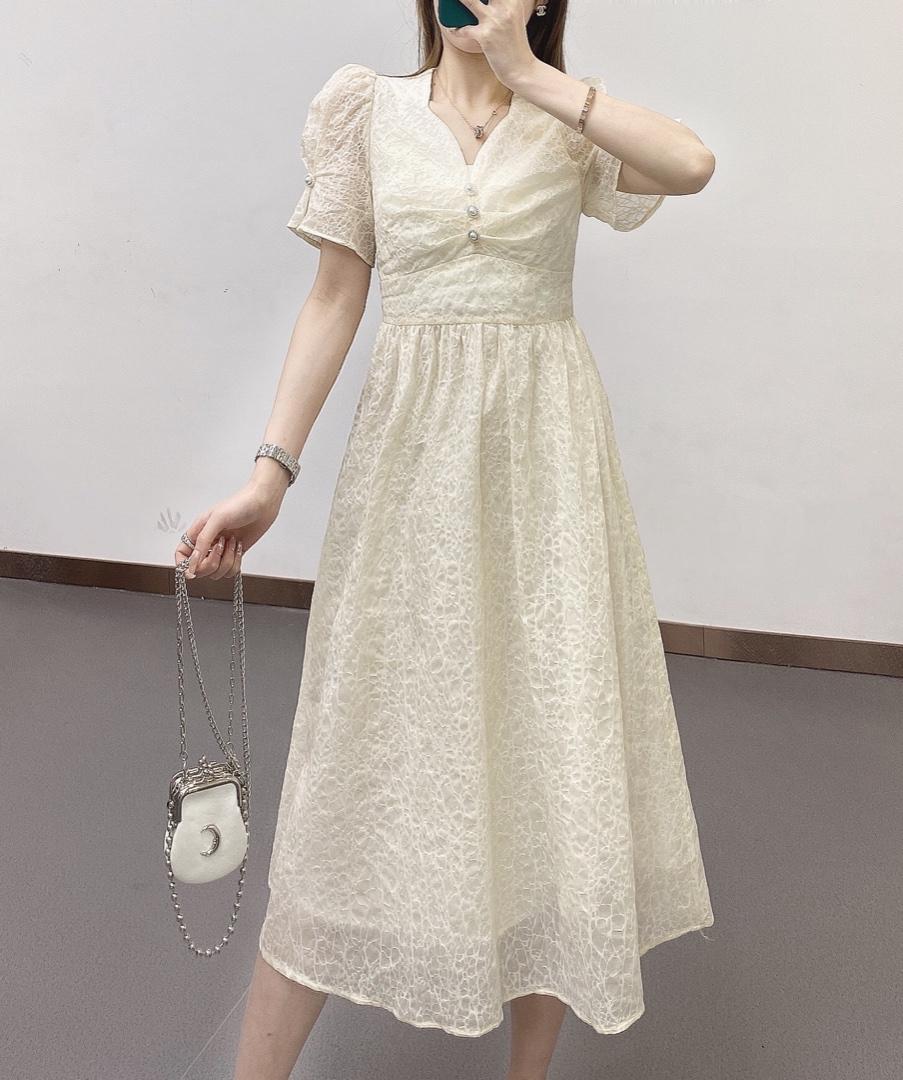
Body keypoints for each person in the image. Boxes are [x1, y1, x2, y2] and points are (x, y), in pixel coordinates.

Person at [175, 2, 717, 1077]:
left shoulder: (570, 119)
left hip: (550, 476)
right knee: (359, 759)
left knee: (553, 744)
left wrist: (535, 74)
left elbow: (692, 164)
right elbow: (334, 299)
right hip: (410, 472)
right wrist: (268, 474)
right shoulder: (366, 112)